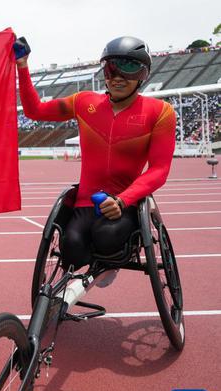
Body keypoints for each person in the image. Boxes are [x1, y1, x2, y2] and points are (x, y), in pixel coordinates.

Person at [14, 36, 176, 273]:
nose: (118, 77)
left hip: (125, 203)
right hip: (85, 202)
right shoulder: (83, 102)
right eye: (111, 69)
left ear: (143, 75)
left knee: (107, 236)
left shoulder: (160, 112)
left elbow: (159, 170)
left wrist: (123, 200)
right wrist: (22, 65)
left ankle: (111, 263)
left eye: (129, 70)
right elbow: (34, 111)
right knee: (71, 246)